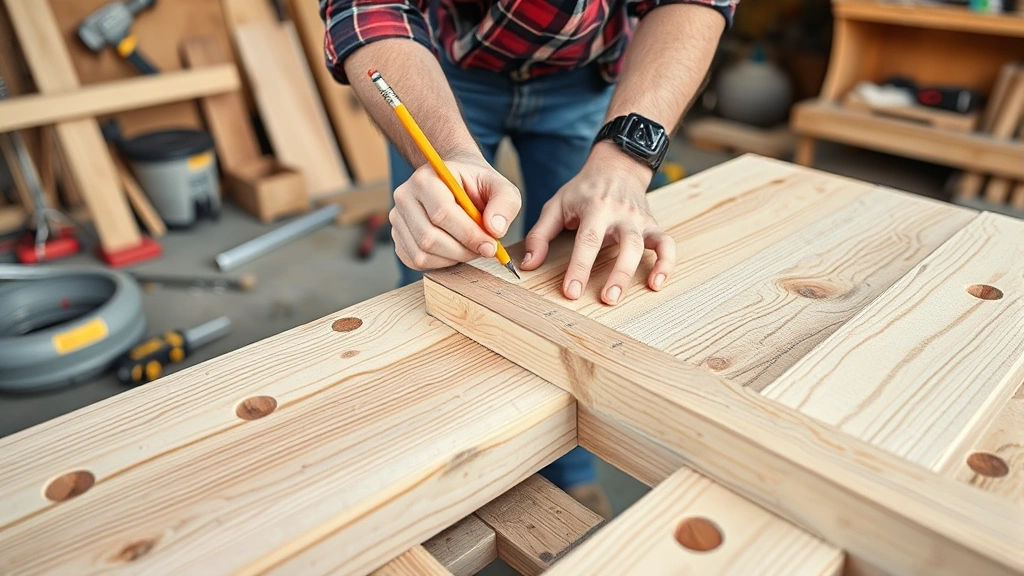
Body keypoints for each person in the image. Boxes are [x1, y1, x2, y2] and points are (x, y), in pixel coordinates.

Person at [320, 0, 738, 518]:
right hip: (435, 67)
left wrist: (625, 160)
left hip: (587, 69)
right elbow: (370, 11)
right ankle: (451, 464)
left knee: (584, 265)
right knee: (440, 271)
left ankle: (569, 473)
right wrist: (451, 151)